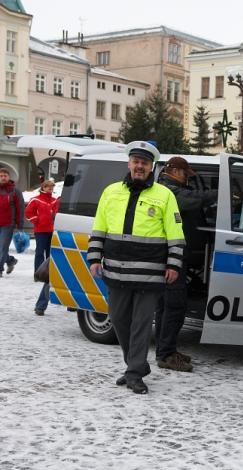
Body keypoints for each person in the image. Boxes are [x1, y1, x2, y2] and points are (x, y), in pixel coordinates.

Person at [87, 141, 185, 395]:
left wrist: (173, 264)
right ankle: (136, 364)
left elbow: (176, 234)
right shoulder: (110, 192)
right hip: (116, 270)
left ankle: (134, 373)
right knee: (119, 320)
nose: (139, 166)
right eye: (136, 161)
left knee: (141, 324)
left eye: (144, 163)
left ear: (151, 166)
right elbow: (99, 227)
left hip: (149, 272)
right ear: (129, 163)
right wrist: (95, 258)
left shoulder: (165, 195)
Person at [154, 156, 217, 372]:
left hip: (175, 255)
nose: (186, 178)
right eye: (184, 174)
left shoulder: (171, 188)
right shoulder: (167, 190)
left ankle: (166, 349)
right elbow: (189, 199)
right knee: (174, 306)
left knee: (167, 306)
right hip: (170, 257)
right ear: (174, 171)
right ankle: (166, 354)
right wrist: (219, 195)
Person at [25, 179, 59, 315]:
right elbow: (28, 213)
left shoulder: (54, 200)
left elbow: (57, 213)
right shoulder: (35, 200)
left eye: (52, 187)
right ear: (43, 187)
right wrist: (36, 220)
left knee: (50, 255)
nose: (50, 189)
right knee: (39, 252)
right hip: (40, 230)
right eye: (48, 187)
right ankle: (38, 273)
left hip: (52, 230)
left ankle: (47, 273)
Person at [0, 167, 24, 278]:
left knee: (3, 247)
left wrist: (20, 225)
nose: (3, 177)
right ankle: (10, 260)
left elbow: (20, 208)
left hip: (8, 224)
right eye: (1, 176)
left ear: (9, 177)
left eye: (5, 176)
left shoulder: (15, 191)